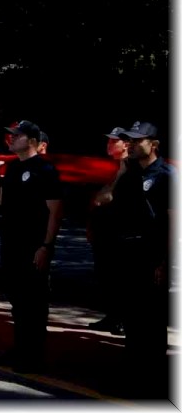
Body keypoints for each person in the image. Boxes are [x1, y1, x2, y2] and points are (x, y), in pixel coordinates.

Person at [0, 120, 63, 373]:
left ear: (32, 141)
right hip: (11, 243)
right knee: (17, 301)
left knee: (34, 302)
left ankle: (33, 355)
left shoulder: (45, 169)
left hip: (33, 246)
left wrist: (46, 246)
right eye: (10, 136)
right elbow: (0, 200)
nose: (11, 140)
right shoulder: (12, 168)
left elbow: (55, 211)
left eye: (16, 136)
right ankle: (20, 349)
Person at [110, 122, 172, 395]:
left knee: (152, 321)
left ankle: (154, 380)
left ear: (154, 144)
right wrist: (121, 172)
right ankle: (132, 374)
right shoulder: (129, 174)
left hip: (151, 255)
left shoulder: (165, 175)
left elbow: (173, 222)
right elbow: (108, 201)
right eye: (129, 140)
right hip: (127, 253)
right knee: (132, 318)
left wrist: (164, 262)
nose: (131, 144)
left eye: (137, 140)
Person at [87, 127, 128, 335]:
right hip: (103, 230)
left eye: (114, 141)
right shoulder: (106, 168)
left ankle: (122, 319)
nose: (109, 144)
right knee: (105, 276)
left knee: (119, 277)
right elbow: (96, 199)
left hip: (120, 233)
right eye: (109, 141)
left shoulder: (129, 169)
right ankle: (112, 315)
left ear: (126, 145)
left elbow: (105, 198)